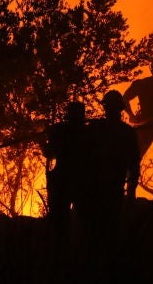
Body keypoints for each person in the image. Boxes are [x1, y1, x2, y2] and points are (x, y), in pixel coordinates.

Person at [76, 90, 140, 275]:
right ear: (121, 109)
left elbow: (81, 157)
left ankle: (93, 268)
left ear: (105, 108)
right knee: (110, 229)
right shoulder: (127, 132)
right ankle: (110, 268)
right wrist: (131, 191)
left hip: (95, 188)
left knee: (93, 231)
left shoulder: (94, 128)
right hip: (112, 187)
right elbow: (134, 164)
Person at [42, 100, 88, 234]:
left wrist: (46, 140)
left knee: (61, 224)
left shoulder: (59, 131)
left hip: (64, 181)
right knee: (84, 223)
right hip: (81, 182)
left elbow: (48, 153)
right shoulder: (88, 132)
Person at [122, 59, 153, 163]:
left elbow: (125, 98)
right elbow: (125, 98)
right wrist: (131, 115)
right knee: (134, 158)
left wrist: (132, 116)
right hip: (150, 127)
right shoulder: (143, 84)